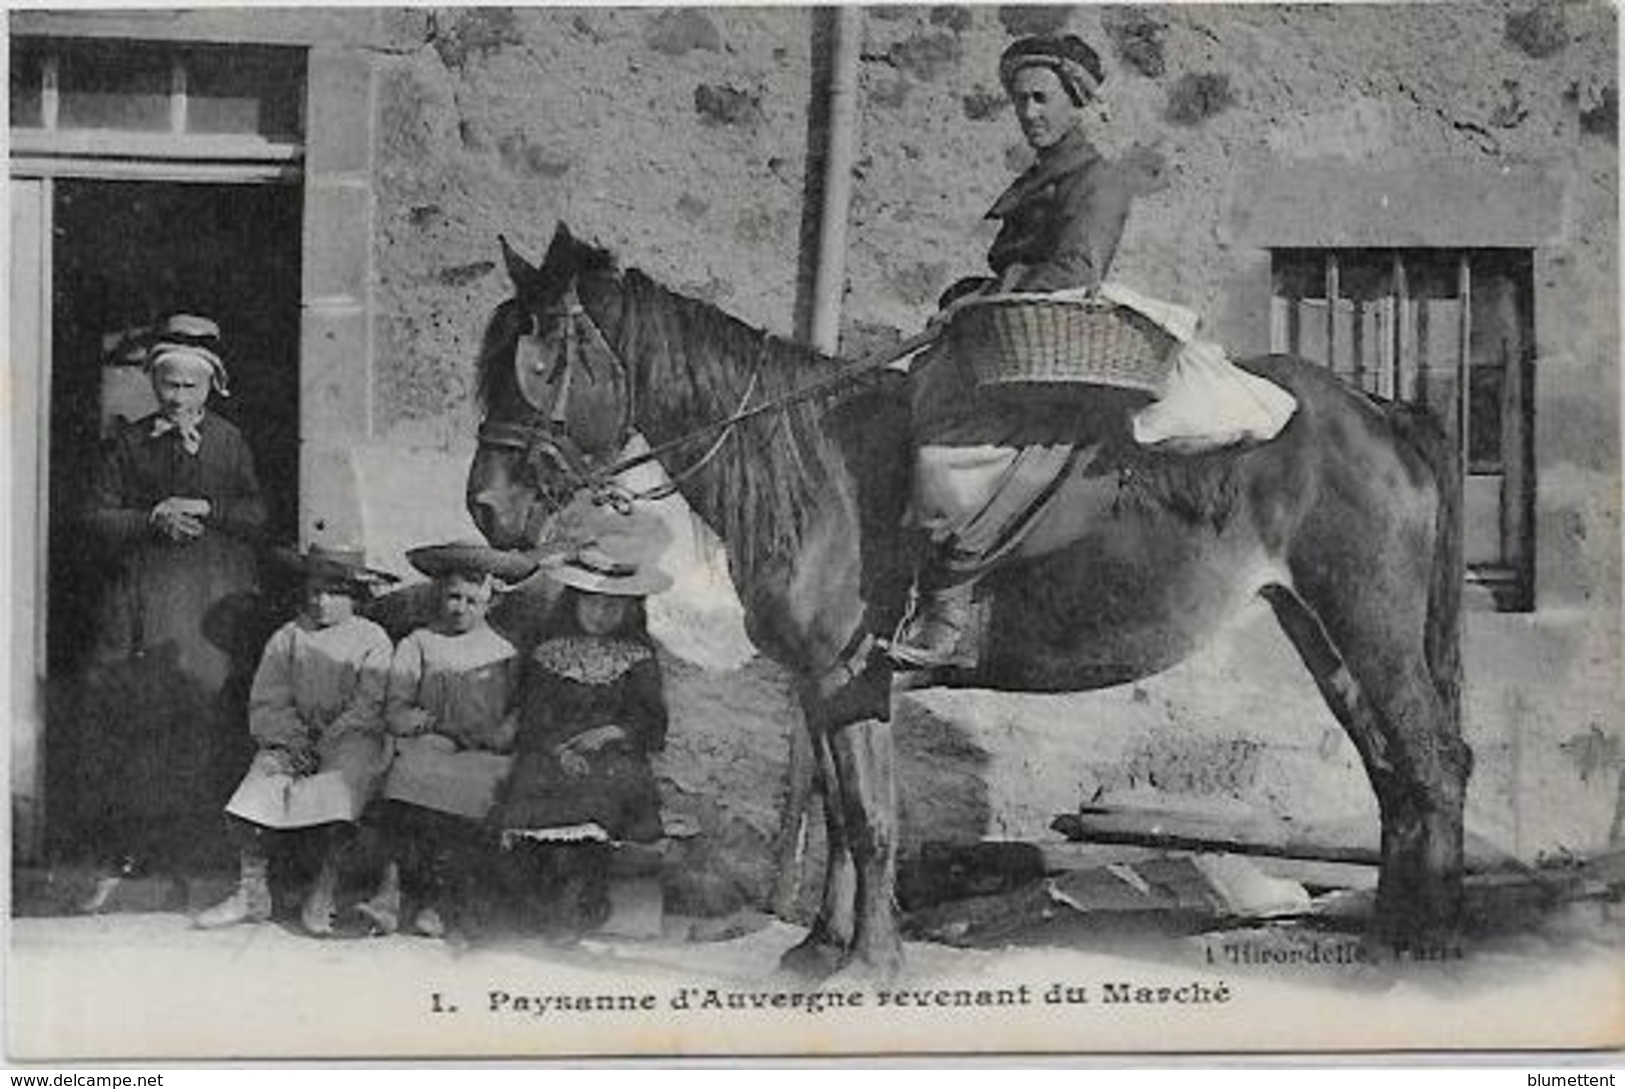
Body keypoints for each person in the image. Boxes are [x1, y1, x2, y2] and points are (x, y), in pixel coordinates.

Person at [888, 33, 1136, 669]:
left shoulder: (1099, 180)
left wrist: (986, 299)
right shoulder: (1039, 181)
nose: (1028, 112)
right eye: (1019, 101)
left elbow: (1074, 270)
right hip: (1006, 344)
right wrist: (966, 299)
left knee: (950, 448)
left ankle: (950, 607)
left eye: (1041, 98)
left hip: (1051, 355)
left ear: (1075, 100)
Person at [77, 313, 267, 908]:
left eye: (190, 387)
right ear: (154, 387)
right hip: (146, 599)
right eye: (168, 386)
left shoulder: (229, 442)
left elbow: (258, 516)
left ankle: (205, 853)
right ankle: (135, 851)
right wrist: (150, 517)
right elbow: (94, 517)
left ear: (210, 388)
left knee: (206, 717)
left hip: (210, 602)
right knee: (142, 722)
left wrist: (209, 507)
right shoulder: (128, 442)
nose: (179, 398)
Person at [195, 544, 397, 935]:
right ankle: (251, 891)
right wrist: (293, 738)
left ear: (355, 595)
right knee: (261, 782)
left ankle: (324, 889)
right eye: (315, 591)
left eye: (334, 592)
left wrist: (329, 741)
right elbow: (269, 699)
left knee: (340, 788)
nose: (321, 601)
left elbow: (370, 703)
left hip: (354, 739)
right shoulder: (289, 637)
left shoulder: (372, 639)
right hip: (296, 740)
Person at [491, 525, 672, 934]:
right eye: (592, 602)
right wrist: (559, 750)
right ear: (574, 600)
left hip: (614, 758)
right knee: (533, 797)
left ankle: (581, 902)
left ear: (630, 609)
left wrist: (612, 732)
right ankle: (540, 903)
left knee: (597, 797)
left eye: (613, 606)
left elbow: (653, 722)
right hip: (549, 750)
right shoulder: (547, 651)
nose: (600, 614)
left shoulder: (638, 657)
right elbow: (534, 712)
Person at [353, 541, 538, 939]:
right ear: (439, 595)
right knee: (408, 771)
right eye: (453, 597)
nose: (459, 608)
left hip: (485, 749)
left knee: (478, 784)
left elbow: (520, 708)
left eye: (472, 600)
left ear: (489, 603)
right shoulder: (419, 643)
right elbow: (396, 706)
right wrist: (434, 725)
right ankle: (390, 894)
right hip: (430, 740)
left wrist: (499, 734)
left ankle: (439, 901)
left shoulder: (504, 651)